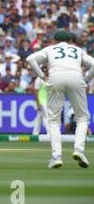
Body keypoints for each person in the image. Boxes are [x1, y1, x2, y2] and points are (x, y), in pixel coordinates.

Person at [27, 30, 94, 169]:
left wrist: (42, 76)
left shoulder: (50, 49)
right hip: (76, 77)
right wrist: (86, 80)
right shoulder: (77, 49)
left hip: (55, 77)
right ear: (70, 40)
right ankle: (79, 150)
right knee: (82, 118)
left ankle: (56, 156)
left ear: (54, 40)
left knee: (54, 121)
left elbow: (30, 59)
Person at [32, 66, 49, 136]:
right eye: (43, 71)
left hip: (47, 101)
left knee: (39, 117)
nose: (45, 72)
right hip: (42, 100)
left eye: (46, 71)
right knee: (47, 116)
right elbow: (35, 92)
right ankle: (50, 134)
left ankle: (35, 133)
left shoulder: (49, 79)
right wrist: (38, 103)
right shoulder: (38, 80)